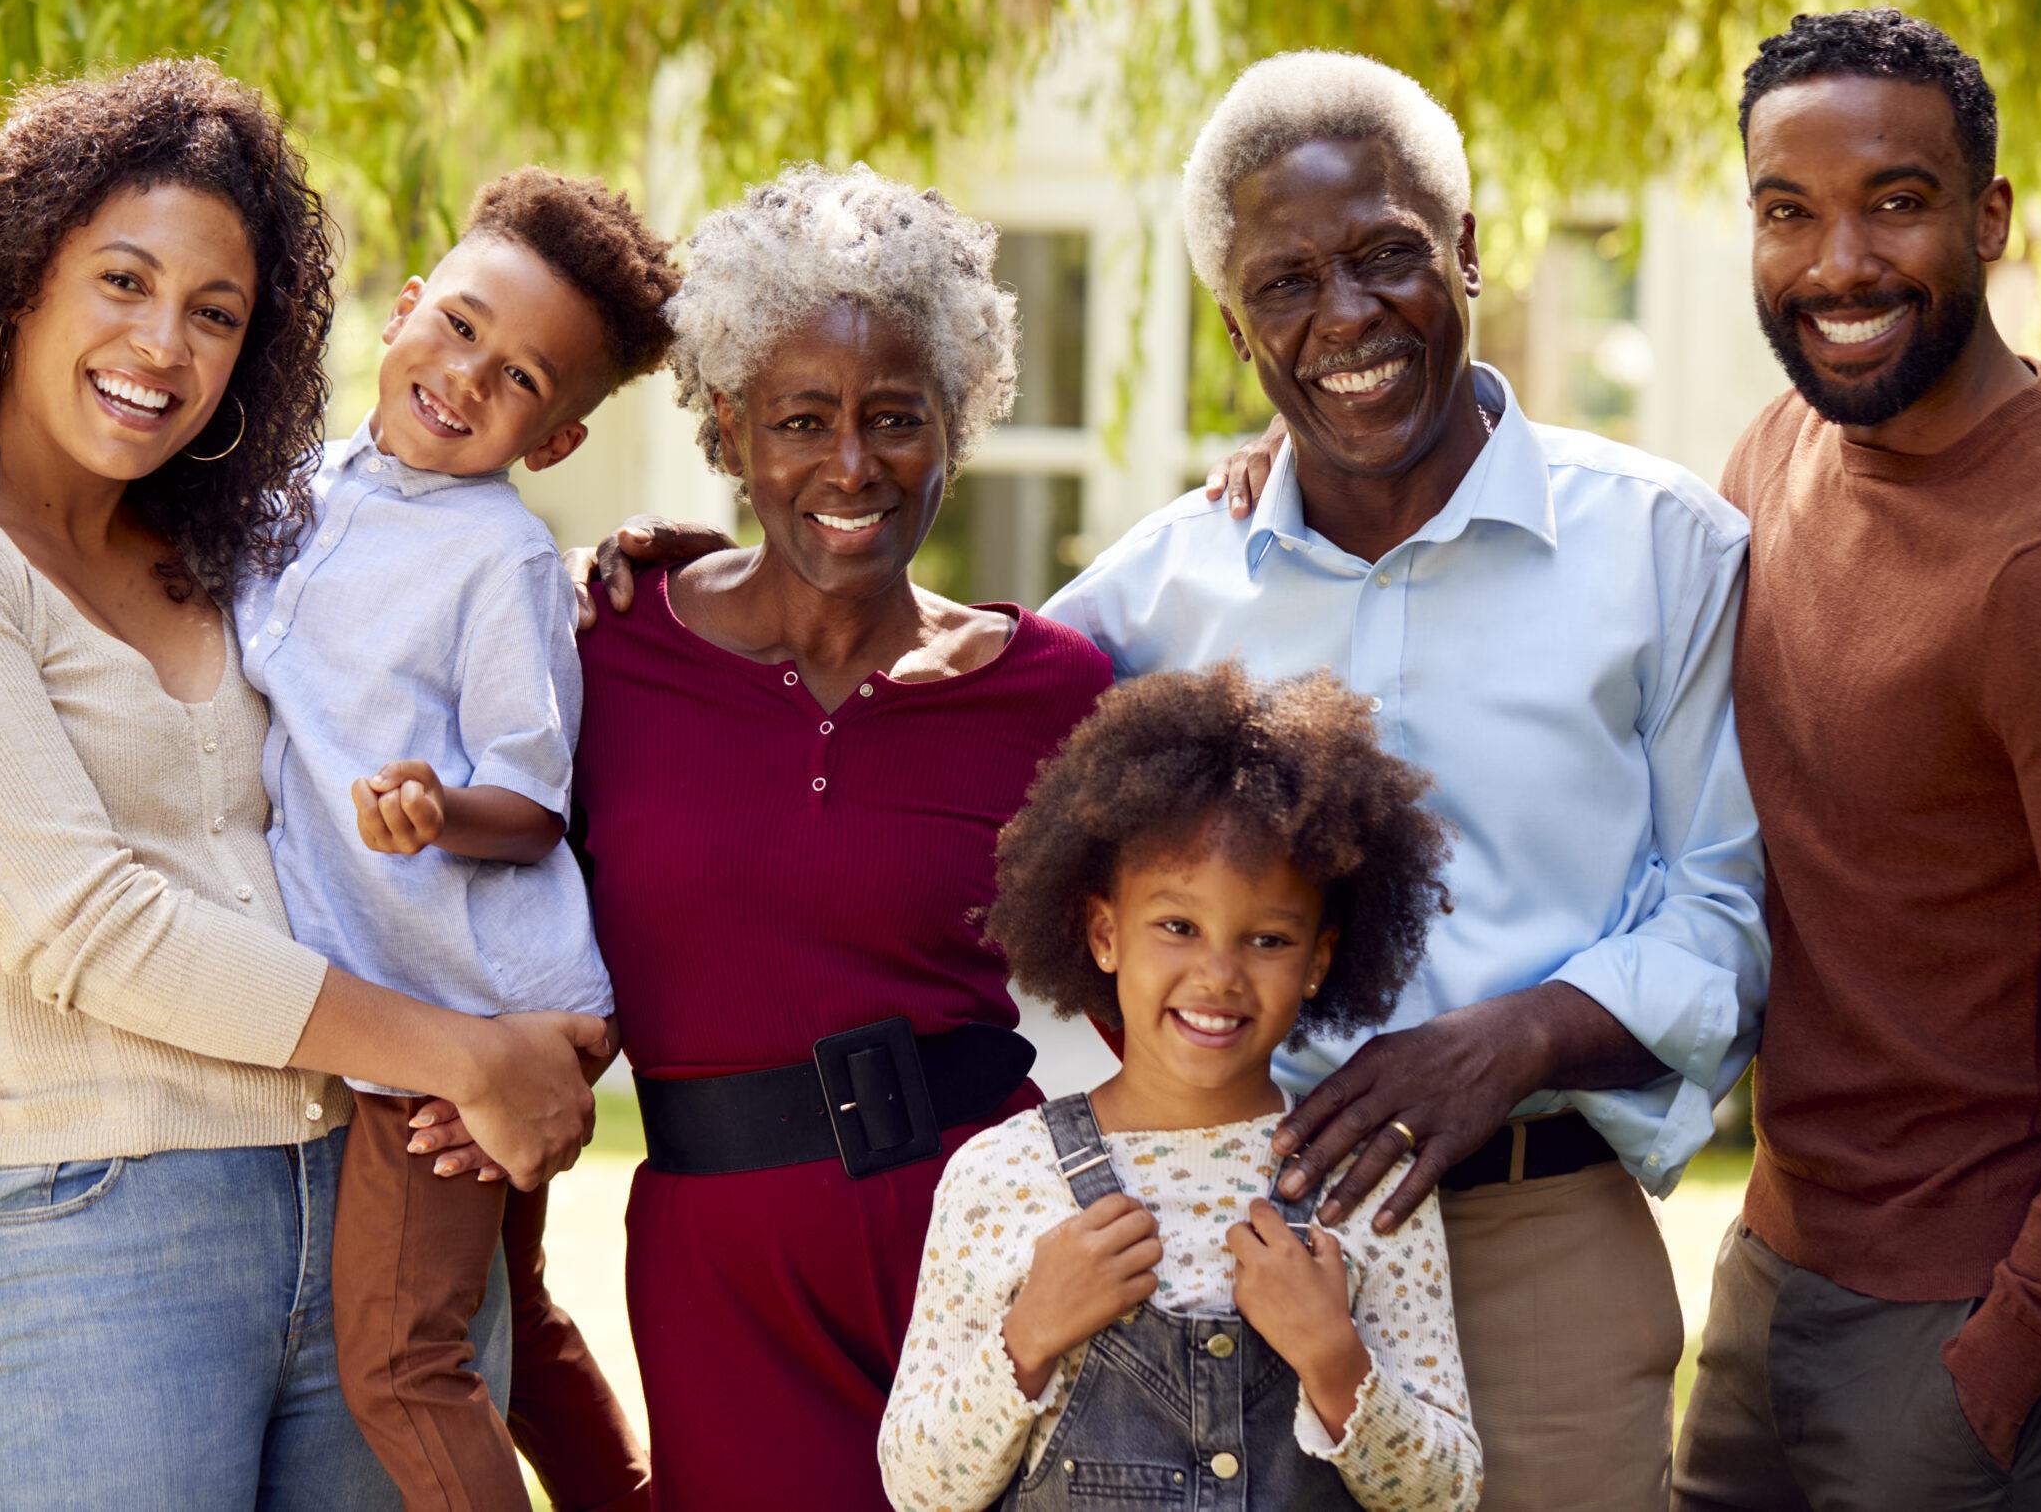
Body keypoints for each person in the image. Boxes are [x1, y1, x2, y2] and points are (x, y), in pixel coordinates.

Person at [0, 60, 610, 1511]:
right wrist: (461, 1052)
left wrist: (646, 574)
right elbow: (87, 922)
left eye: (214, 313)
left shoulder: (235, 552)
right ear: (19, 275)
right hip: (96, 1236)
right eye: (121, 279)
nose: (161, 343)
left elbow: (444, 612)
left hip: (361, 1192)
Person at [1055, 51, 1767, 1510]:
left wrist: (1514, 1038)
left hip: (1543, 1244)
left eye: (1388, 254)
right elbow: (924, 706)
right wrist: (648, 582)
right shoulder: (1158, 593)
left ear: (1470, 250)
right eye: (1286, 282)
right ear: (1238, 327)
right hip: (1238, 1249)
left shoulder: (1663, 548)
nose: (1347, 315)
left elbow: (1731, 914)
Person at [1669, 9, 2041, 1511]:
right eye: (1788, 212)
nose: (1838, 263)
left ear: (1989, 217)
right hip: (1775, 1276)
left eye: (1896, 201)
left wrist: (2008, 1355)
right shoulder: (1782, 452)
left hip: (1974, 1324)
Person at [569, 163, 1113, 1509]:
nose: (850, 465)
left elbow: (1170, 974)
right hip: (722, 1258)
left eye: (895, 417)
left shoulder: (1051, 689)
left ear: (959, 422)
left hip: (989, 1242)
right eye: (800, 419)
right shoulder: (605, 649)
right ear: (729, 427)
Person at [235, 167, 677, 1512]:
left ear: (549, 445)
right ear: (408, 304)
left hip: (463, 1003)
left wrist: (438, 806)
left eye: (527, 379)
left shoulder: (499, 558)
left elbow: (533, 799)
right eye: (465, 325)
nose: (472, 374)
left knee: (405, 1361)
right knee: (517, 1317)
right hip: (424, 982)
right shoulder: (296, 488)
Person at [878, 662, 1484, 1512]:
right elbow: (918, 1486)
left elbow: (1445, 1495)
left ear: (1318, 959)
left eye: (1267, 939)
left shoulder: (1364, 1181)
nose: (1218, 973)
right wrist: (1027, 1336)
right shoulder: (1000, 1177)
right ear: (1103, 932)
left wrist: (1337, 1362)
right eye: (1177, 925)